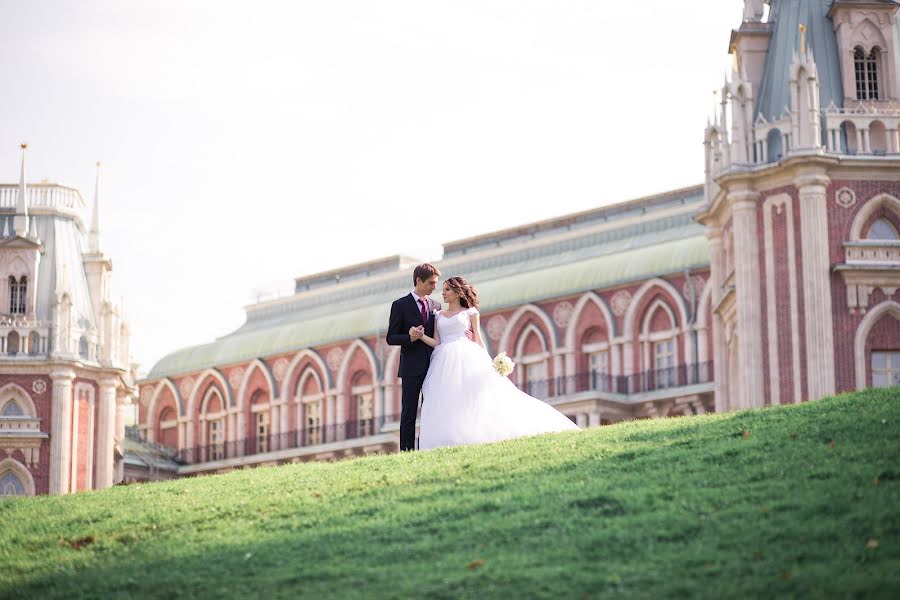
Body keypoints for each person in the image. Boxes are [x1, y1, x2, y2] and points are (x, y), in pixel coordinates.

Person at [412, 276, 580, 450]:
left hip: (466, 355)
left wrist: (489, 362)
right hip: (443, 360)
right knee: (446, 399)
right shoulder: (438, 315)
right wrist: (421, 336)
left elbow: (478, 338)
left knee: (471, 396)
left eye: (447, 289)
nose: (443, 293)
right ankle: (449, 438)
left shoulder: (470, 313)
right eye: (443, 289)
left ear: (457, 292)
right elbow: (437, 342)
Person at [386, 264, 474, 451]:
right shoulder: (400, 305)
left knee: (432, 410)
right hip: (411, 368)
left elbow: (441, 335)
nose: (434, 288)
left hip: (435, 366)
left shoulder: (436, 306)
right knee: (409, 412)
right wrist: (409, 337)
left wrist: (465, 334)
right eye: (431, 283)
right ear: (418, 281)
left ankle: (427, 447)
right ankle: (407, 451)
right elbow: (391, 337)